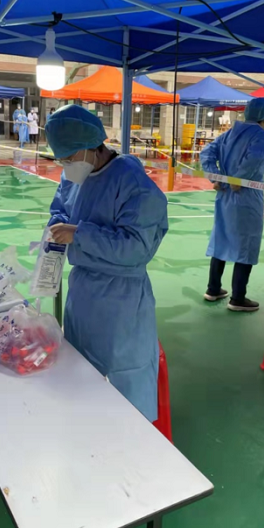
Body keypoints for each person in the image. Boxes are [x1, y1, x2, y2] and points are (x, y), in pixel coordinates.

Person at [45, 105, 168, 422]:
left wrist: (80, 234)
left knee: (124, 380)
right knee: (79, 369)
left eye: (69, 157)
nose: (66, 164)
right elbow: (61, 207)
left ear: (92, 146)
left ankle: (131, 436)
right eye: (61, 159)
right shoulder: (76, 172)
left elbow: (137, 248)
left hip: (120, 301)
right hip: (83, 293)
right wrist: (55, 229)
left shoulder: (133, 184)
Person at [201, 97, 264, 313]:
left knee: (222, 238)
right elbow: (255, 159)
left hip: (224, 195)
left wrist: (215, 177)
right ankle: (238, 298)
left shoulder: (229, 134)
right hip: (246, 197)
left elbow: (206, 152)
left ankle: (213, 288)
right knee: (246, 244)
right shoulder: (262, 136)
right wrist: (239, 179)